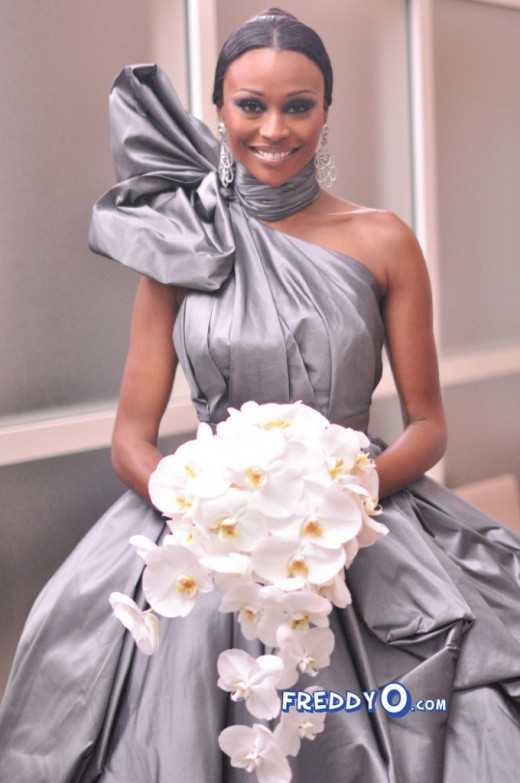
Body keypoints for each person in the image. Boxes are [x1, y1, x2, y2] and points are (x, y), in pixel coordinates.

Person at [1, 8, 519, 782]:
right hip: (203, 534)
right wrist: (210, 515)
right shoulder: (181, 243)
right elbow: (129, 440)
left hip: (358, 527)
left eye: (298, 105)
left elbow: (427, 425)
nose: (274, 128)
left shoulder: (385, 239)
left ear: (326, 110)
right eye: (251, 105)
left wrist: (338, 501)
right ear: (220, 109)